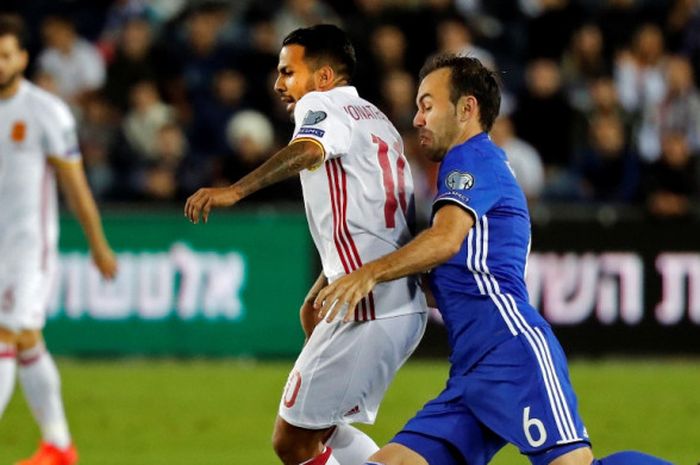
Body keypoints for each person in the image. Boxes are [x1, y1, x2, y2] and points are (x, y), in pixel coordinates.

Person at [314, 54, 674, 465]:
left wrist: (369, 274)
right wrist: (350, 279)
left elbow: (445, 240)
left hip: (513, 353)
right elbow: (450, 280)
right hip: (472, 370)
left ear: (467, 108)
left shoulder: (472, 158)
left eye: (427, 105)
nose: (417, 119)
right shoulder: (469, 165)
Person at [184, 24, 427, 465]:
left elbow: (309, 150)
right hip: (392, 301)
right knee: (324, 428)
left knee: (292, 442)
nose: (279, 84)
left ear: (324, 77)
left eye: (288, 72)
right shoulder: (377, 119)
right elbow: (368, 218)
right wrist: (323, 281)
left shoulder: (320, 106)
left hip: (369, 305)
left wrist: (236, 190)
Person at [0, 15, 117, 465]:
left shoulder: (45, 112)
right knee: (27, 339)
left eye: (7, 54)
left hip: (28, 252)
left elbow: (76, 187)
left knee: (7, 334)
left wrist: (98, 244)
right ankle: (60, 445)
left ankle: (59, 444)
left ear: (24, 58)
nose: (1, 63)